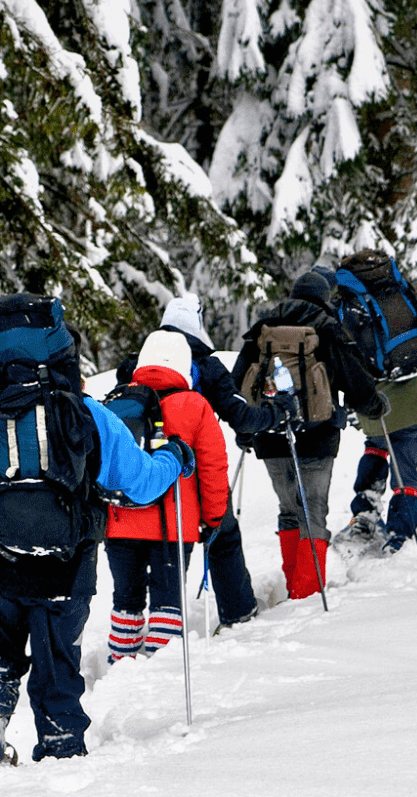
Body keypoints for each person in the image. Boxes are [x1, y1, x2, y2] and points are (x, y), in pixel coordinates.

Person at [0, 293, 193, 766]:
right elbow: (140, 485)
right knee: (57, 670)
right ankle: (61, 752)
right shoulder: (88, 415)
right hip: (65, 572)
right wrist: (174, 457)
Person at [112, 293, 270, 629]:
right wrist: (273, 415)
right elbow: (239, 415)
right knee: (222, 534)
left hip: (139, 476)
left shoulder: (135, 363)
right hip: (190, 472)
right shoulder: (208, 365)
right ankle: (237, 611)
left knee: (138, 553)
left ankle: (130, 633)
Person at [229, 268, 384, 598]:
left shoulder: (263, 330)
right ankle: (307, 594)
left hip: (270, 435)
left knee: (288, 509)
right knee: (313, 510)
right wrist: (375, 406)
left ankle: (293, 585)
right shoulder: (328, 329)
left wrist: (246, 427)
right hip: (317, 434)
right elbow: (356, 381)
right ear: (325, 297)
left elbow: (237, 382)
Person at [104, 330, 230, 661]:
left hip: (119, 521)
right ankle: (160, 670)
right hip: (172, 525)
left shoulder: (116, 401)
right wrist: (213, 518)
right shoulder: (195, 405)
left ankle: (121, 666)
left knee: (126, 601)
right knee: (167, 601)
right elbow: (213, 469)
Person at [333, 253, 417, 554]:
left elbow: (341, 358)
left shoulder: (349, 307)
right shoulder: (402, 294)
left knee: (376, 448)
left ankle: (365, 514)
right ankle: (399, 533)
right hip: (414, 400)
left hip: (375, 403)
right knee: (406, 470)